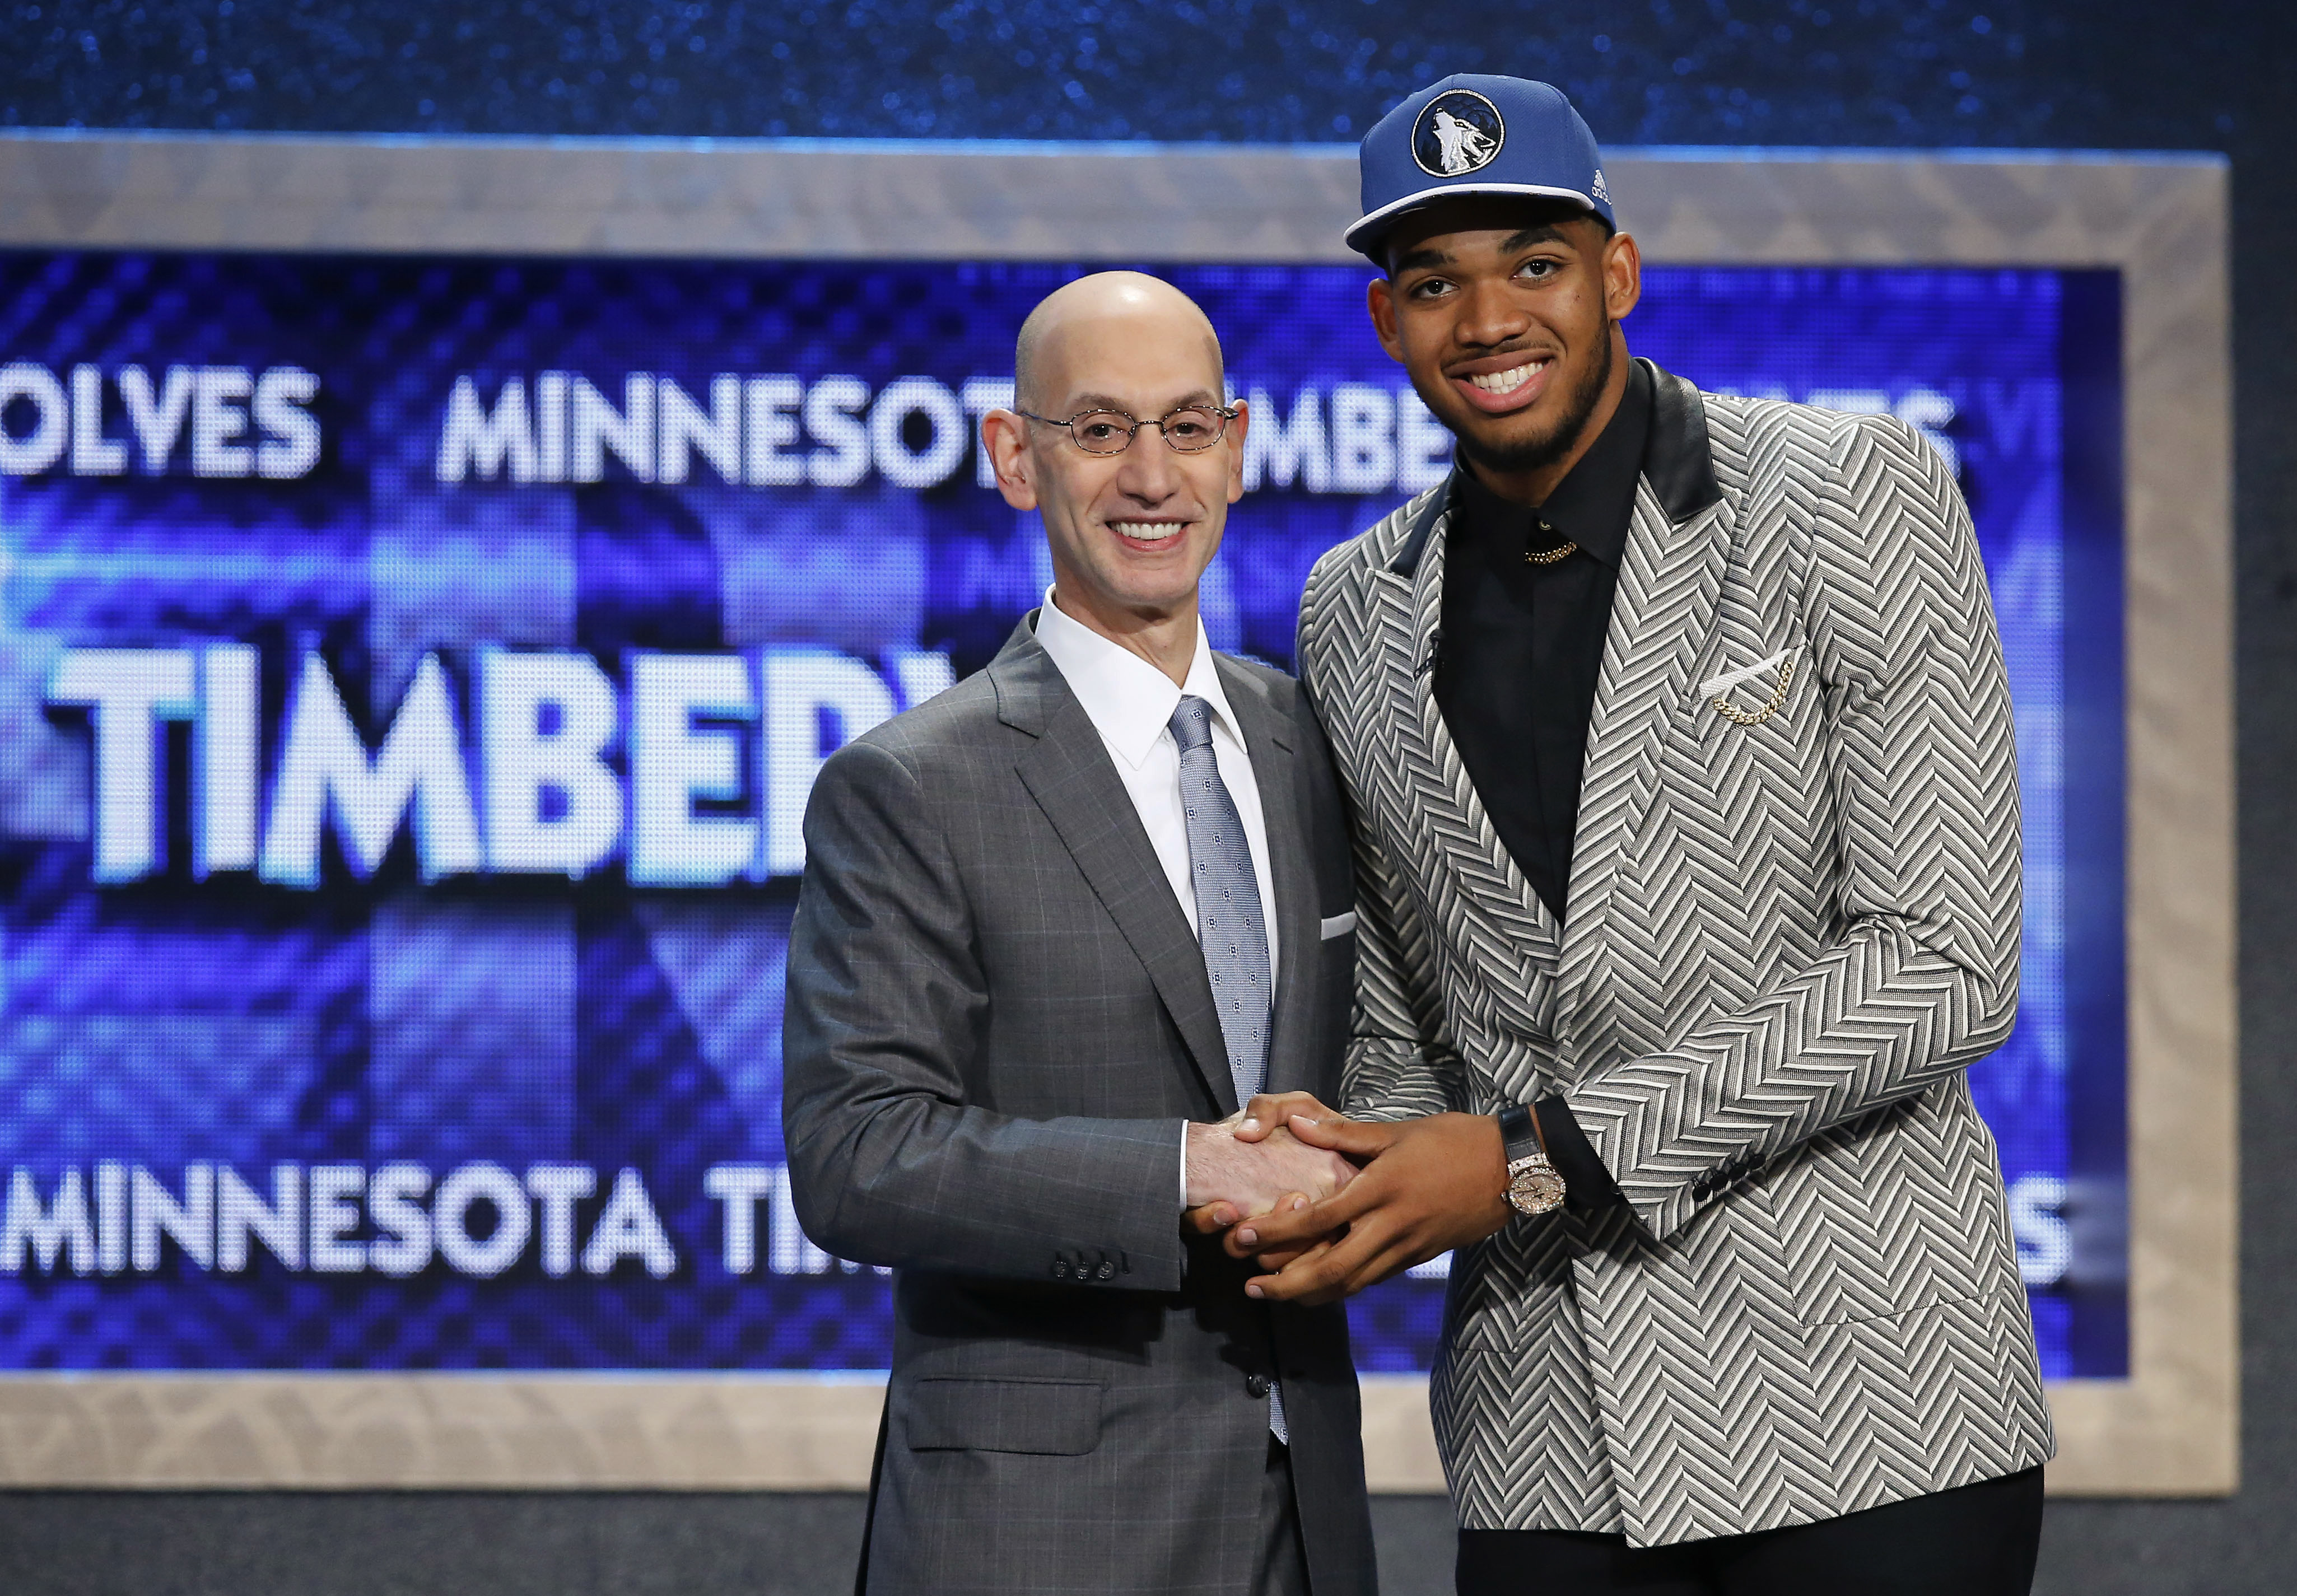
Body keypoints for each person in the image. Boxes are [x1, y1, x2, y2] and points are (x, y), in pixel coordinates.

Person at [1219, 74, 2055, 1595]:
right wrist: (1329, 1159)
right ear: (1383, 326)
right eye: (1430, 284)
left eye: (1530, 265)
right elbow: (1417, 1026)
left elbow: (1939, 966)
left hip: (1865, 1399)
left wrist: (1538, 1155)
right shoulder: (1350, 606)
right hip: (1551, 1424)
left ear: (1614, 273)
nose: (1484, 321)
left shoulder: (1839, 493)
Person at [782, 271, 1379, 1596]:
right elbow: (855, 1156)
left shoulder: (1309, 749)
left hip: (1306, 1510)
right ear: (1014, 456)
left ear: (1236, 445)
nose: (1149, 476)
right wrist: (1186, 1172)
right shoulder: (913, 783)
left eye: (1183, 427)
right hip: (1036, 1532)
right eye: (1098, 430)